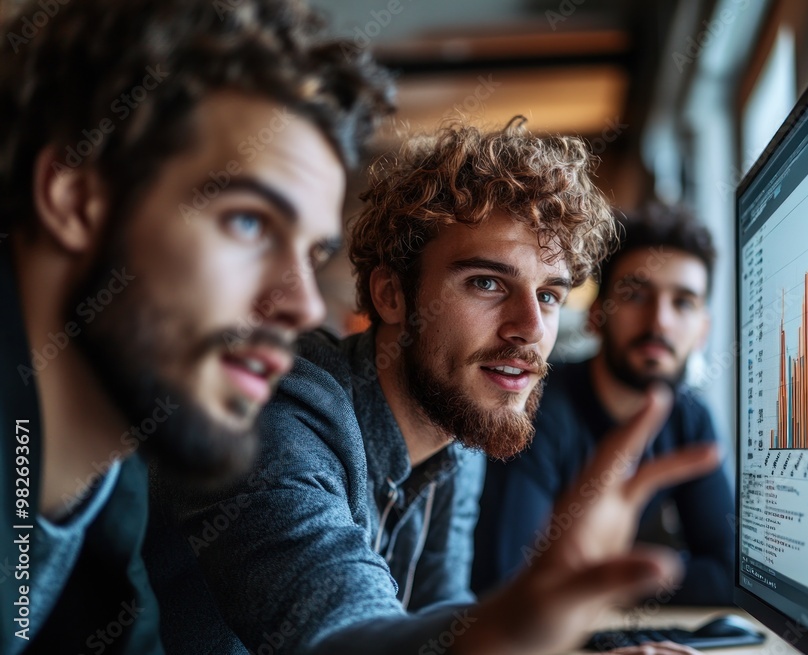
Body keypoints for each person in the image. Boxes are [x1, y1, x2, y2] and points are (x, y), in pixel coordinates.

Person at [148, 120, 721, 655]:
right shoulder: (276, 416)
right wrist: (519, 626)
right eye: (487, 282)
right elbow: (344, 635)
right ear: (391, 295)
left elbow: (443, 610)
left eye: (549, 295)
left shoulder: (457, 423)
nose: (530, 327)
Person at [0, 0, 390, 652]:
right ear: (75, 198)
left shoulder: (113, 479)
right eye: (248, 221)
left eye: (313, 254)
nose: (302, 307)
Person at [474, 203, 736, 606]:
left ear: (702, 330)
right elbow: (507, 583)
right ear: (596, 316)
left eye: (683, 303)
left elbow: (727, 573)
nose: (660, 322)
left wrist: (606, 577)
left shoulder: (690, 420)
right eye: (635, 295)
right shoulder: (533, 406)